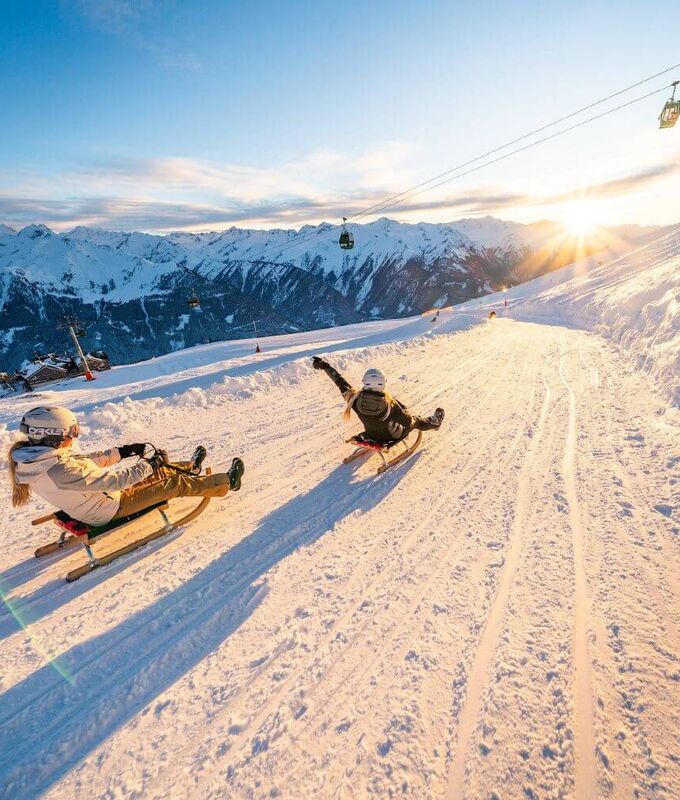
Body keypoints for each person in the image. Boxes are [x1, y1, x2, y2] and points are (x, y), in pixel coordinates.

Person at [8, 406, 244, 526]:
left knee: (159, 470)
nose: (74, 437)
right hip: (108, 509)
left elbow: (86, 462)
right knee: (172, 483)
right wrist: (149, 465)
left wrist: (122, 452)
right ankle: (227, 483)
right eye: (72, 432)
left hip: (101, 499)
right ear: (54, 434)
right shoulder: (59, 469)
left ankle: (191, 468)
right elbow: (116, 481)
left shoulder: (39, 459)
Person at [312, 357, 444, 443]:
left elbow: (340, 382)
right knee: (416, 420)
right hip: (391, 436)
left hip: (372, 434)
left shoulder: (354, 399)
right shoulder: (390, 405)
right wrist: (407, 413)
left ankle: (431, 421)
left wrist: (325, 366)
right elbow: (408, 422)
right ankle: (435, 422)